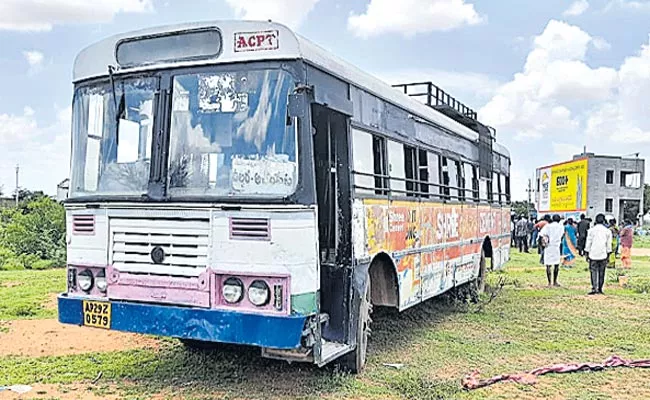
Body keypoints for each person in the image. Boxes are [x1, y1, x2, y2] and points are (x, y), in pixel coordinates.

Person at [585, 214, 613, 295]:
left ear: (596, 221)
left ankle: (594, 288)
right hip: (603, 254)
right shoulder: (607, 231)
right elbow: (608, 245)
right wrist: (608, 254)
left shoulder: (591, 230)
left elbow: (588, 243)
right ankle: (600, 288)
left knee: (593, 271)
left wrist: (587, 253)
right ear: (604, 221)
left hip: (593, 254)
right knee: (602, 272)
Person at [540, 214, 564, 287]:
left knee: (548, 265)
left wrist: (544, 243)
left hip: (548, 247)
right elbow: (562, 235)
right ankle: (555, 281)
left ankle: (549, 282)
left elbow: (541, 234)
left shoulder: (548, 226)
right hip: (556, 247)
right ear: (559, 220)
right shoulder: (561, 227)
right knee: (556, 265)